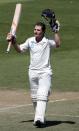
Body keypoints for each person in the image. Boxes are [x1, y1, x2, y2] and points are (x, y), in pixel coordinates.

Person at [7, 21, 60, 128]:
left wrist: (55, 31)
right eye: (35, 29)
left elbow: (58, 44)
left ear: (43, 32)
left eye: (38, 30)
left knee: (42, 95)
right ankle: (41, 117)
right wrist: (13, 42)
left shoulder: (47, 41)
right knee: (35, 97)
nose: (36, 31)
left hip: (45, 72)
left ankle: (38, 119)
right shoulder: (30, 41)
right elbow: (19, 50)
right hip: (32, 72)